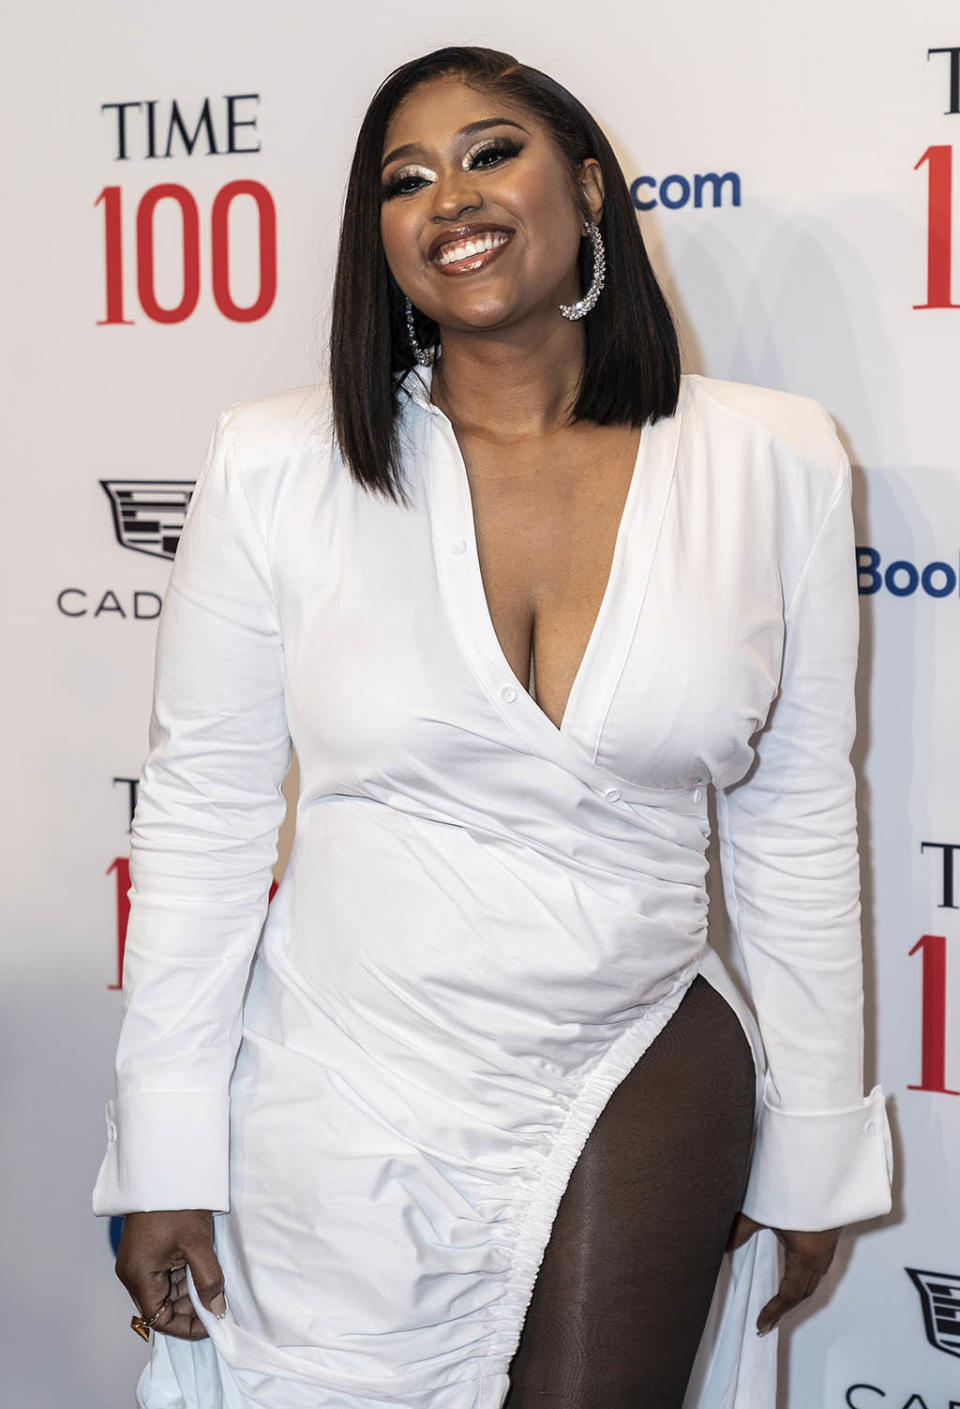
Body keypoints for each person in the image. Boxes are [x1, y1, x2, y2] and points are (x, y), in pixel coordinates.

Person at [92, 43, 894, 1409]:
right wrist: (161, 1148)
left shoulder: (775, 460)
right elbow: (206, 810)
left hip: (634, 1045)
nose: (449, 196)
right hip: (345, 1072)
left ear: (586, 188)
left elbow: (798, 815)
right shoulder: (278, 464)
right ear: (380, 237)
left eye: (490, 151)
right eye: (405, 178)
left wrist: (817, 1134)